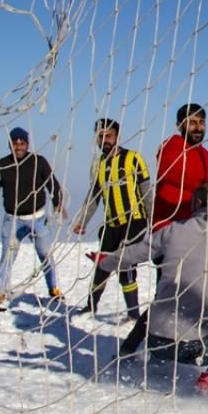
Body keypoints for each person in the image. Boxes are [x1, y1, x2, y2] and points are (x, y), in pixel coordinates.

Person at [100, 187, 208, 393]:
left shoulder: (172, 230)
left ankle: (127, 351)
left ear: (198, 203)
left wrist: (104, 262)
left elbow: (132, 254)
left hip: (156, 340)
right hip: (194, 347)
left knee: (165, 299)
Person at [0, 127, 67, 303]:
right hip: (12, 219)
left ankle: (54, 288)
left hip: (37, 219)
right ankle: (1, 291)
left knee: (45, 254)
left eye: (22, 143)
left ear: (27, 144)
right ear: (10, 145)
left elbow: (51, 183)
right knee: (7, 256)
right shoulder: (2, 165)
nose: (18, 146)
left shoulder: (38, 161)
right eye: (15, 143)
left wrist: (58, 203)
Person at [72, 118, 152, 320]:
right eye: (100, 136)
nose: (104, 139)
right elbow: (93, 196)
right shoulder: (97, 165)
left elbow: (147, 193)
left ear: (117, 136)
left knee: (125, 264)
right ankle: (90, 307)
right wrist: (83, 220)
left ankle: (133, 314)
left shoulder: (133, 159)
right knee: (102, 264)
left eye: (108, 135)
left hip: (135, 221)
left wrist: (155, 221)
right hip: (111, 223)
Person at [150, 103, 208, 231]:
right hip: (167, 228)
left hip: (191, 227)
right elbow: (167, 170)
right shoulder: (172, 144)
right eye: (192, 123)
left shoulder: (202, 152)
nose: (198, 128)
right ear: (179, 125)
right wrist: (202, 188)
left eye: (201, 122)